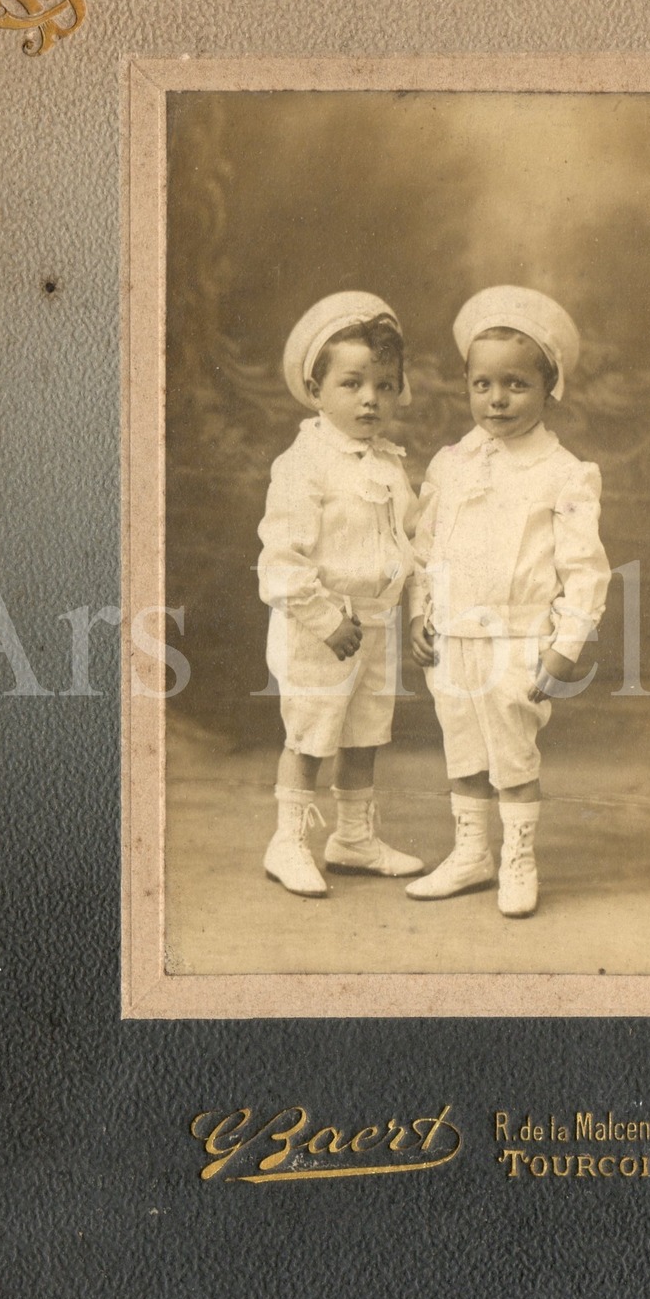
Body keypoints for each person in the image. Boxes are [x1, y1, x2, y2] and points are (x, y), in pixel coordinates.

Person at [407, 286, 611, 917]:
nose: (496, 400)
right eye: (483, 384)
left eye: (517, 385)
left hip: (517, 641)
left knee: (513, 756)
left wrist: (565, 646)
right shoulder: (449, 464)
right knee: (462, 747)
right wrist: (420, 611)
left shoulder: (564, 472)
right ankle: (472, 852)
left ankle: (519, 857)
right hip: (453, 638)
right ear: (466, 385)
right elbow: (425, 548)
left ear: (550, 389)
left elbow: (586, 571)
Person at [256, 291, 423, 897]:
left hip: (374, 624)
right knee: (311, 733)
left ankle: (352, 837)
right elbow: (281, 561)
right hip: (320, 630)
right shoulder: (305, 463)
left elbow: (408, 540)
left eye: (384, 384)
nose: (370, 398)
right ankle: (289, 841)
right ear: (316, 389)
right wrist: (326, 620)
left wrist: (416, 605)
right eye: (352, 384)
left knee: (365, 733)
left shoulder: (387, 462)